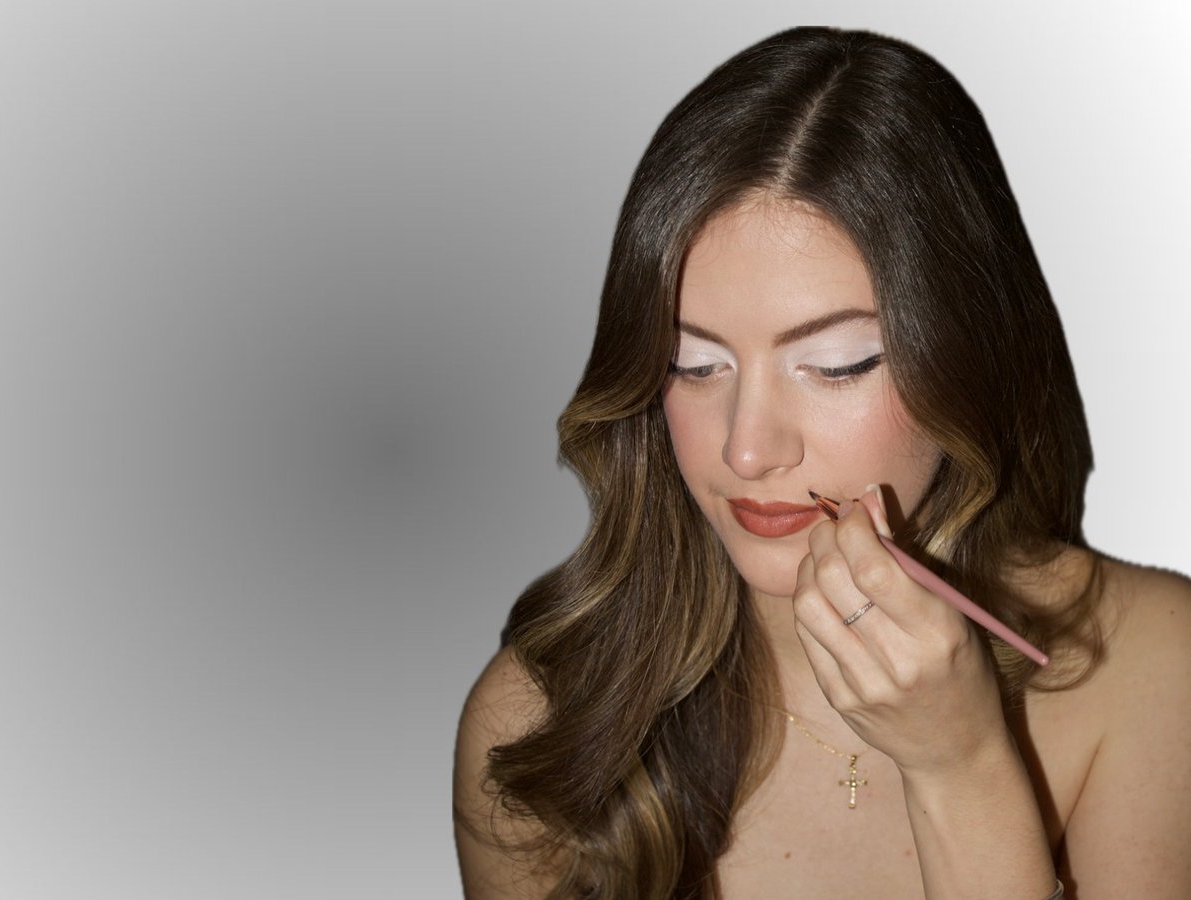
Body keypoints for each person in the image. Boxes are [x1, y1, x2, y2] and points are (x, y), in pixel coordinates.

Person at [453, 26, 1191, 900]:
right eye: (695, 364)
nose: (747, 449)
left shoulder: (1150, 666)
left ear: (964, 357)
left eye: (836, 365)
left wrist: (963, 769)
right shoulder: (538, 722)